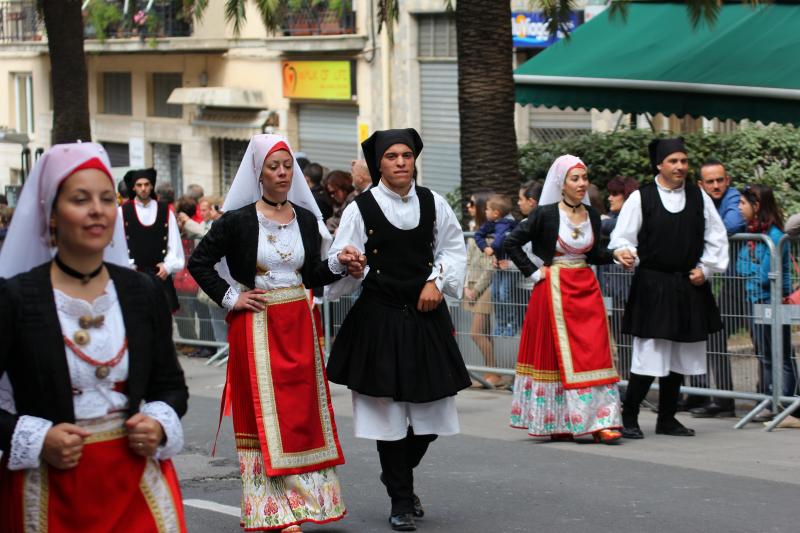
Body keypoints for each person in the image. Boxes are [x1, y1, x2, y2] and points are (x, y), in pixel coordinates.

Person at [0, 142, 188, 531]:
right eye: (80, 199)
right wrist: (39, 438)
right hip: (51, 488)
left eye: (106, 198)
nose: (97, 210)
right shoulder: (16, 298)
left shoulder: (141, 292)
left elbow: (170, 385)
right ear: (52, 214)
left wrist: (157, 424)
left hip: (136, 484)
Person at [189, 134, 363, 532]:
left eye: (287, 166)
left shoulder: (305, 218)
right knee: (262, 415)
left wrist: (340, 264)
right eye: (274, 167)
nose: (283, 173)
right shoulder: (236, 221)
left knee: (301, 414)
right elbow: (199, 262)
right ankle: (274, 509)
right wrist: (232, 297)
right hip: (256, 323)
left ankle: (307, 503)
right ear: (259, 173)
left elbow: (311, 273)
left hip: (298, 324)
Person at [325, 128, 470, 532]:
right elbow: (341, 259)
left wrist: (437, 281)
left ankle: (396, 475)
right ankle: (401, 500)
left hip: (425, 317)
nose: (401, 162)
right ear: (379, 164)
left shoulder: (434, 202)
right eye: (392, 156)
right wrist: (350, 263)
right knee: (387, 416)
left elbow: (453, 249)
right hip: (379, 319)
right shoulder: (360, 209)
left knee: (433, 414)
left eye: (406, 155)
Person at [611, 138, 729, 438]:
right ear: (659, 165)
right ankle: (629, 416)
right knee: (649, 354)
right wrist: (625, 252)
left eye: (684, 161)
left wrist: (706, 268)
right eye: (673, 161)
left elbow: (717, 237)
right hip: (653, 285)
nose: (680, 166)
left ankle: (667, 418)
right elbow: (623, 237)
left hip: (688, 283)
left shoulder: (698, 197)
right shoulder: (641, 198)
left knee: (679, 353)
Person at [504, 154, 623, 444]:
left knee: (594, 351)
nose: (582, 184)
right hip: (553, 288)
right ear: (562, 183)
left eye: (584, 178)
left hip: (586, 287)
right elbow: (511, 242)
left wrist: (616, 255)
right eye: (575, 178)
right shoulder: (545, 214)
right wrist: (534, 273)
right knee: (555, 354)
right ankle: (558, 420)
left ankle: (601, 421)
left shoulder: (592, 214)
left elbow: (594, 254)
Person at [689, 159, 746, 418]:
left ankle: (775, 398)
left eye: (720, 180)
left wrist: (698, 232)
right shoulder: (698, 199)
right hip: (721, 281)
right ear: (701, 184)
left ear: (727, 180)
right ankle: (721, 400)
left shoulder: (733, 197)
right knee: (714, 338)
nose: (716, 186)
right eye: (710, 181)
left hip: (742, 281)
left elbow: (732, 224)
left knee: (766, 342)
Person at [736, 185, 796, 400]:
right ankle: (771, 400)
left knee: (782, 355)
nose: (739, 207)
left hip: (772, 301)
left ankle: (788, 401)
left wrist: (752, 268)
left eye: (743, 203)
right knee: (766, 355)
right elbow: (740, 267)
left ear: (757, 205)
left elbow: (764, 276)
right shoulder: (753, 234)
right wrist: (753, 266)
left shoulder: (775, 237)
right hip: (755, 300)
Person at [121, 168, 185, 313]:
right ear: (133, 187)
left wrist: (168, 266)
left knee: (163, 323)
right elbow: (118, 246)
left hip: (160, 278)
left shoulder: (165, 211)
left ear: (151, 186)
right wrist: (128, 266)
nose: (143, 188)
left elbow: (175, 246)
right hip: (133, 278)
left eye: (146, 184)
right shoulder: (122, 212)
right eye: (139, 185)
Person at [463, 192, 499, 386]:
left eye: (472, 203)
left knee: (476, 333)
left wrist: (476, 289)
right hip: (472, 284)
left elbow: (491, 265)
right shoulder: (472, 227)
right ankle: (491, 374)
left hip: (486, 286)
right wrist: (465, 285)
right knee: (484, 333)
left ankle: (494, 373)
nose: (468, 206)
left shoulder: (491, 232)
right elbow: (468, 258)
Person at [475, 194, 519, 336]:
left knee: (504, 294)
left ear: (496, 213)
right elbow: (478, 235)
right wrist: (485, 247)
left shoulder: (510, 224)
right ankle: (500, 324)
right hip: (498, 265)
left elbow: (501, 239)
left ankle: (511, 323)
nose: (485, 211)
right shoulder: (493, 222)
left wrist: (492, 248)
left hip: (511, 266)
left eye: (487, 209)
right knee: (495, 294)